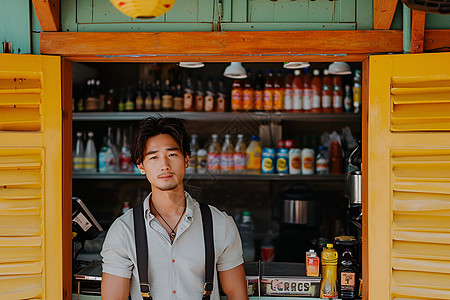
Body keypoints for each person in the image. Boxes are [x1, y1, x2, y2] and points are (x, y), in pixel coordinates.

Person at [101, 116, 248, 300]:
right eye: (153, 157)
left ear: (187, 159)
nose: (164, 165)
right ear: (141, 166)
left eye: (172, 154)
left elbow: (237, 294)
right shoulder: (123, 230)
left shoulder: (220, 224)